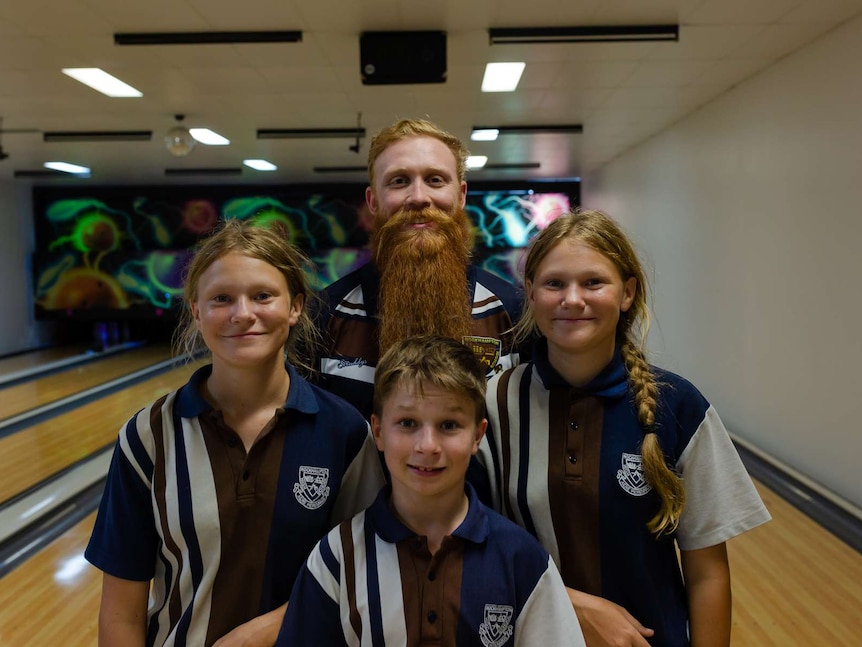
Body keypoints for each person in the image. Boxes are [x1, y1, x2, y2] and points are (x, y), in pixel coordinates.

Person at [476, 209, 771, 647]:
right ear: (531, 293)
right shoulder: (492, 402)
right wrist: (573, 605)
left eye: (593, 282)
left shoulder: (678, 405)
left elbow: (707, 572)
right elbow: (471, 543)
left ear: (628, 293)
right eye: (555, 283)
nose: (572, 299)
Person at [85, 219, 385, 647]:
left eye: (262, 296)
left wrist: (264, 632)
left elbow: (362, 575)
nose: (242, 314)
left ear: (295, 306)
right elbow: (120, 614)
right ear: (196, 310)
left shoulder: (344, 432)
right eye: (221, 298)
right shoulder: (147, 437)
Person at [276, 335, 586, 646]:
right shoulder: (337, 558)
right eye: (408, 423)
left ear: (478, 435)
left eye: (449, 425)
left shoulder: (522, 560)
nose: (427, 446)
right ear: (379, 431)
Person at [316, 118, 522, 419]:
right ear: (372, 201)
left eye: (435, 180)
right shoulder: (324, 315)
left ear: (461, 196)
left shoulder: (512, 312)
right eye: (399, 181)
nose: (419, 197)